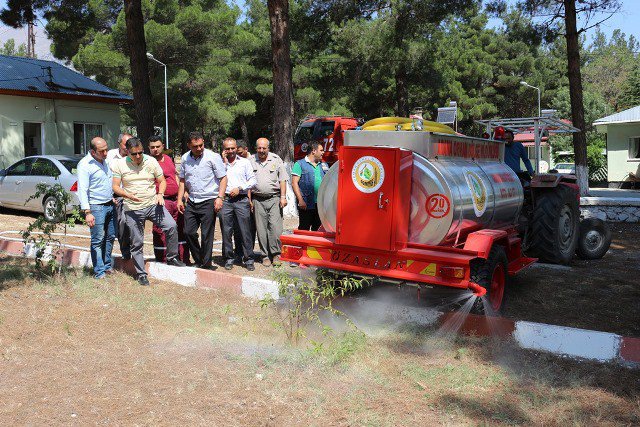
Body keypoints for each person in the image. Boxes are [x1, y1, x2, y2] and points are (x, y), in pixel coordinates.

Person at [111, 137, 185, 286]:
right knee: (137, 243)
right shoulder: (119, 164)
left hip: (153, 205)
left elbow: (162, 181)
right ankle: (141, 274)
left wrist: (160, 194)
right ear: (127, 152)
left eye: (140, 152)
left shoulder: (151, 161)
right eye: (134, 154)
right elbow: (115, 187)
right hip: (133, 208)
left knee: (171, 226)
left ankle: (172, 257)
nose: (138, 156)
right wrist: (126, 195)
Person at [177, 131, 227, 270]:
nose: (199, 148)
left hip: (209, 200)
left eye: (201, 145)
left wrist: (220, 197)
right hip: (192, 200)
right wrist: (179, 200)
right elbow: (182, 180)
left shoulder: (213, 157)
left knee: (206, 234)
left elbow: (223, 178)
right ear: (189, 145)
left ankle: (205, 264)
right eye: (195, 146)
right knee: (188, 232)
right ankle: (199, 259)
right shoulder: (185, 158)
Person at [77, 137, 116, 279]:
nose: (106, 153)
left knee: (110, 236)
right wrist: (87, 212)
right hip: (96, 207)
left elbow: (105, 183)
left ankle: (106, 266)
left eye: (106, 149)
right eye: (102, 151)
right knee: (97, 240)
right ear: (93, 152)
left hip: (110, 205)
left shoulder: (104, 161)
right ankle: (99, 272)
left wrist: (111, 197)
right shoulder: (85, 165)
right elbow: (82, 190)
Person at [148, 136, 190, 264]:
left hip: (176, 200)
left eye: (158, 146)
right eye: (152, 147)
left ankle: (182, 258)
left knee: (180, 228)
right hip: (161, 201)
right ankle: (163, 259)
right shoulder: (148, 162)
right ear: (149, 148)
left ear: (163, 146)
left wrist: (182, 193)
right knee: (161, 230)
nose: (155, 149)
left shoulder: (167, 159)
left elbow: (174, 176)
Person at [250, 137, 287, 266]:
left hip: (274, 198)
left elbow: (283, 179)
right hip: (257, 199)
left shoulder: (276, 160)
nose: (261, 150)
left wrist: (283, 197)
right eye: (259, 148)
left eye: (264, 148)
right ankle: (265, 255)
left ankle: (276, 254)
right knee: (261, 229)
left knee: (275, 228)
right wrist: (249, 201)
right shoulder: (251, 161)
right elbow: (248, 183)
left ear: (268, 148)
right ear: (256, 148)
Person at [221, 137, 256, 271]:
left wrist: (240, 188)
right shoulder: (220, 163)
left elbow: (253, 180)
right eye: (227, 149)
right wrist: (223, 162)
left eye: (232, 148)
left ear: (236, 148)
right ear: (224, 149)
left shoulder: (245, 162)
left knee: (245, 230)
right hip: (226, 200)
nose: (230, 151)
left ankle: (248, 259)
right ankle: (229, 258)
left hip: (241, 199)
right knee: (226, 230)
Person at [107, 133, 132, 260]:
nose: (128, 147)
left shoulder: (133, 156)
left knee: (129, 224)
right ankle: (124, 253)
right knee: (118, 226)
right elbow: (105, 177)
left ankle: (130, 252)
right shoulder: (110, 156)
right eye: (125, 144)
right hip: (114, 196)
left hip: (130, 196)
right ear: (119, 143)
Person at [291, 141, 327, 231]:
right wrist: (300, 200)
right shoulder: (299, 164)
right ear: (314, 151)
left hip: (320, 204)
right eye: (321, 150)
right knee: (304, 229)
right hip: (306, 204)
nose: (323, 152)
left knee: (318, 230)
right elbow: (294, 183)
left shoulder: (323, 165)